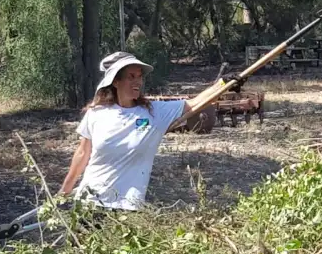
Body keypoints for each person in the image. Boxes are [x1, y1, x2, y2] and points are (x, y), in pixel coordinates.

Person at [59, 51, 244, 212]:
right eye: (131, 76)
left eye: (140, 76)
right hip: (89, 202)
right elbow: (82, 153)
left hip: (128, 207)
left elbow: (195, 103)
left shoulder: (154, 112)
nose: (138, 81)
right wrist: (64, 192)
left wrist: (223, 84)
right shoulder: (96, 113)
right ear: (115, 81)